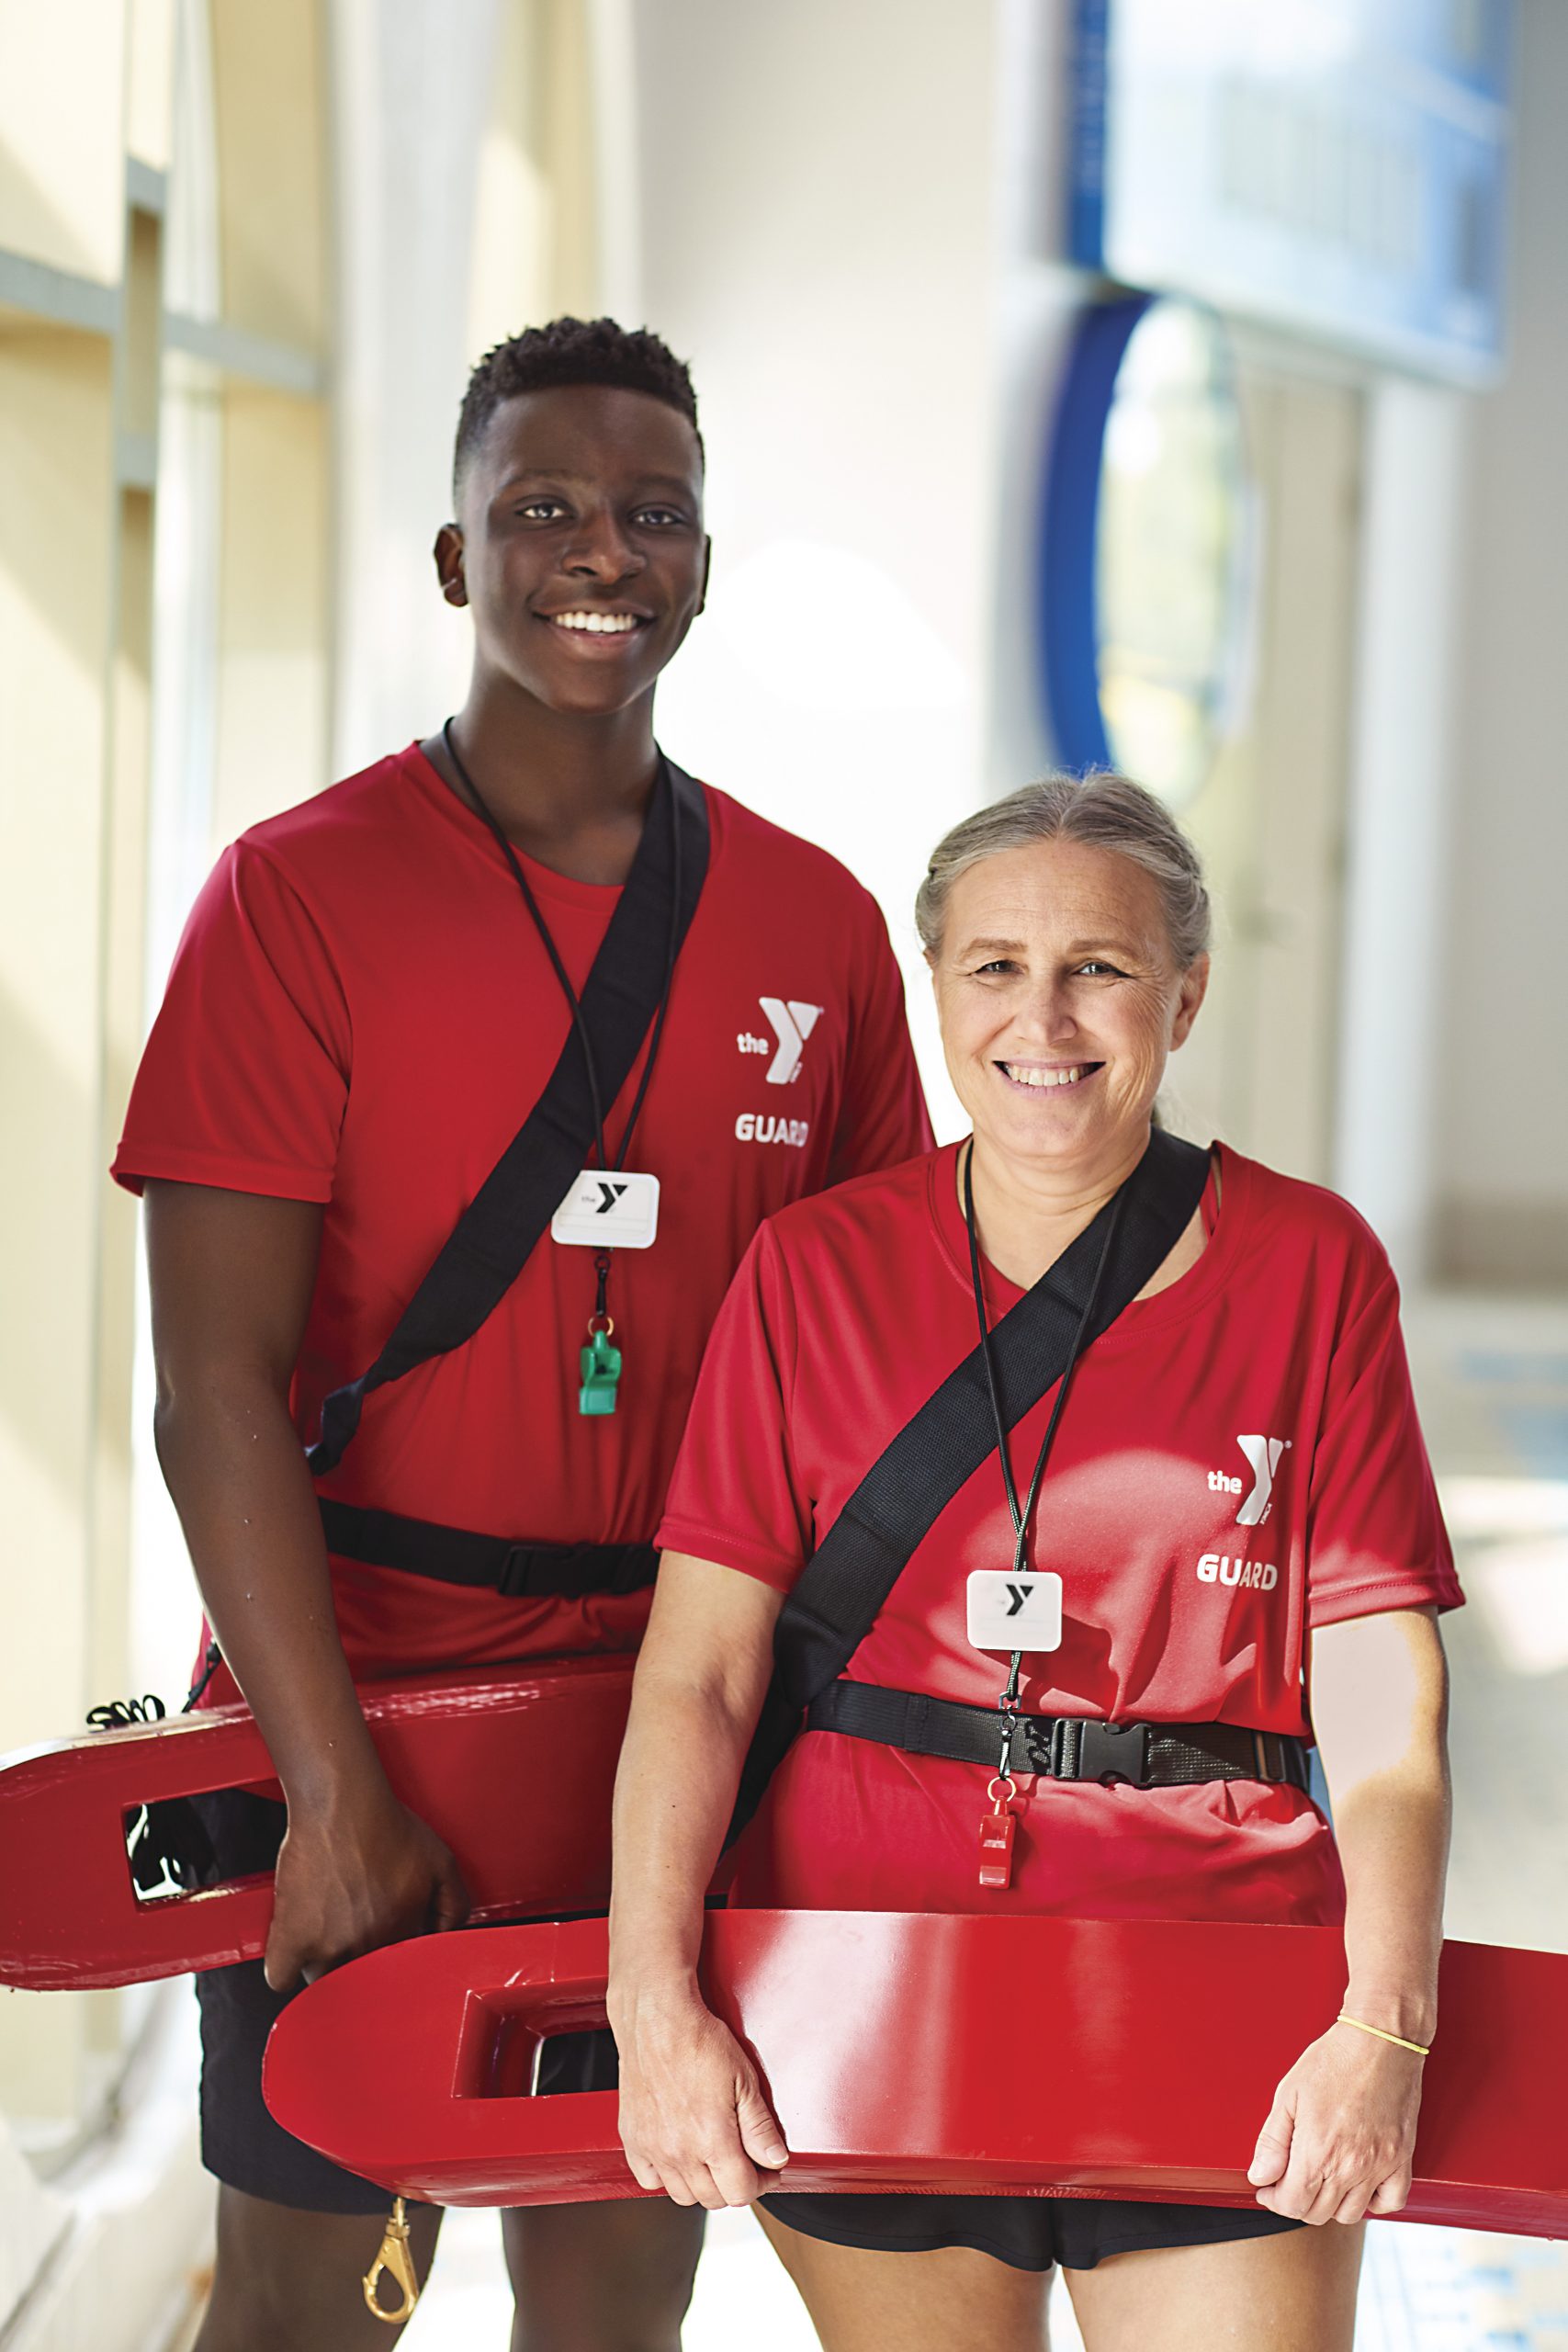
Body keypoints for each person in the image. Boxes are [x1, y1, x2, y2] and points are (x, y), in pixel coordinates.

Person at [112, 315, 931, 2352]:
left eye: (650, 511)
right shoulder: (292, 896)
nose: (599, 549)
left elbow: (875, 1373)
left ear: (705, 562)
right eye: (542, 505)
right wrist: (328, 1796)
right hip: (352, 1699)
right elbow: (213, 1392)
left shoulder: (813, 925)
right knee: (306, 2302)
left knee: (612, 2304)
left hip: (658, 1726)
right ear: (455, 558)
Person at [606, 773, 1461, 2352]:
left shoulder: (1313, 1269)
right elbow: (702, 1673)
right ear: (936, 985)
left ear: (1186, 995)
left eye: (1103, 968)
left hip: (1217, 1984)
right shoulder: (813, 1269)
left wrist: (1382, 2025)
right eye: (994, 964)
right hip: (859, 1979)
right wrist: (649, 1999)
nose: (1043, 1016)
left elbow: (1383, 1698)